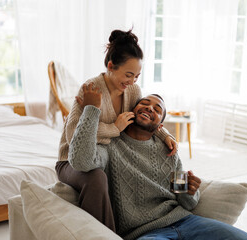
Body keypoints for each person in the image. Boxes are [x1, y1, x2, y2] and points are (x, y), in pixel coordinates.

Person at [67, 87, 247, 240]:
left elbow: (188, 203)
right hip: (145, 233)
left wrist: (191, 191)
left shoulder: (169, 151)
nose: (150, 108)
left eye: (157, 109)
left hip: (187, 221)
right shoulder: (111, 145)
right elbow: (81, 162)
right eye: (145, 103)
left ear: (160, 126)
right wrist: (91, 110)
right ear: (132, 111)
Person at [56, 29, 177, 232]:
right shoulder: (91, 89)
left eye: (137, 76)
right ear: (111, 66)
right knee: (96, 177)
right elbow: (72, 136)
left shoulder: (133, 91)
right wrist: (113, 128)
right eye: (128, 75)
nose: (132, 82)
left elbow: (142, 117)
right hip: (71, 159)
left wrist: (163, 134)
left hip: (106, 153)